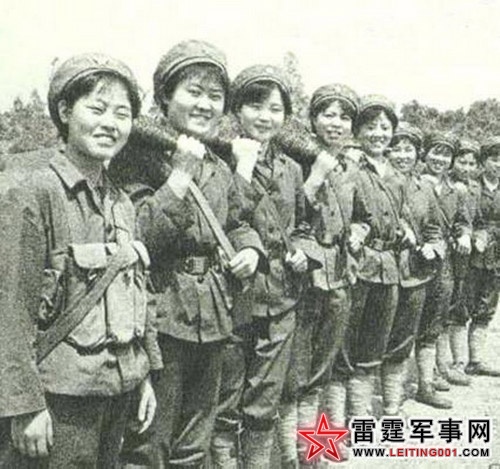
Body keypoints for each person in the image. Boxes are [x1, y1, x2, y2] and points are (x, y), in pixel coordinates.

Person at [0, 53, 157, 468]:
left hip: (116, 394)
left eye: (122, 114)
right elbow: (10, 309)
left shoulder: (121, 202)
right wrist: (24, 406)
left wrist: (143, 377)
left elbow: (138, 298)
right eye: (97, 109)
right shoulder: (35, 193)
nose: (110, 123)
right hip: (57, 402)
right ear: (66, 112)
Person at [120, 40, 266, 469]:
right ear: (166, 97)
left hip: (214, 316)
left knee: (195, 441)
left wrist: (250, 250)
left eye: (214, 96)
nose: (205, 104)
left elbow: (237, 220)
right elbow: (140, 235)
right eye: (193, 92)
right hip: (159, 314)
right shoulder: (135, 156)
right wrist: (179, 177)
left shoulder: (216, 164)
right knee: (148, 441)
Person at [210, 64, 321, 469]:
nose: (265, 116)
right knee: (226, 395)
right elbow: (224, 217)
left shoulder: (292, 168)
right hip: (233, 296)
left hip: (281, 298)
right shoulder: (218, 160)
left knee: (266, 397)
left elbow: (304, 224)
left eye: (275, 109)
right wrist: (241, 167)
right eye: (255, 106)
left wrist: (304, 252)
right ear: (236, 110)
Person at [284, 84, 359, 466]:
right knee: (297, 370)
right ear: (312, 120)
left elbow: (360, 215)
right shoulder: (294, 160)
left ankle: (315, 448)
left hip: (339, 275)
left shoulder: (350, 168)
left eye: (344, 117)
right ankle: (295, 454)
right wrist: (315, 176)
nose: (336, 123)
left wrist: (359, 231)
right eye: (328, 114)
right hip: (303, 274)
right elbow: (286, 216)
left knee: (324, 368)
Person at [339, 95, 416, 419]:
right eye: (370, 127)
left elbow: (400, 214)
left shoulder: (397, 176)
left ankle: (361, 417)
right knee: (346, 344)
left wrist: (405, 229)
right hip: (358, 266)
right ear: (357, 132)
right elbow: (339, 214)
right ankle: (341, 421)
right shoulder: (348, 168)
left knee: (375, 343)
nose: (378, 134)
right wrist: (356, 230)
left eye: (385, 128)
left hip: (389, 268)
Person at [385, 122, 445, 414]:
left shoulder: (424, 187)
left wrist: (433, 245)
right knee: (371, 338)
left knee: (404, 336)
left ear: (417, 153)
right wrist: (399, 230)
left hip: (415, 273)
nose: (403, 155)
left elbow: (434, 226)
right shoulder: (378, 180)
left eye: (408, 149)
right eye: (396, 148)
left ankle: (392, 402)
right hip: (381, 271)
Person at [416, 132, 472, 408]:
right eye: (435, 152)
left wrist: (464, 234)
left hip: (444, 262)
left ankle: (426, 382)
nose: (440, 159)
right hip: (415, 258)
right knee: (406, 320)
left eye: (446, 154)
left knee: (435, 320)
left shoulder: (456, 190)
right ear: (424, 153)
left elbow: (463, 221)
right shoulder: (413, 182)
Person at [444, 139, 482, 386]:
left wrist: (478, 236)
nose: (466, 168)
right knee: (444, 310)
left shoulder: (475, 189)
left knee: (462, 306)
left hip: (470, 257)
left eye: (471, 164)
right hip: (447, 252)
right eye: (462, 162)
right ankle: (441, 366)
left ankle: (460, 362)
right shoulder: (445, 185)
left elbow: (479, 221)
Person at [463, 136, 500, 377]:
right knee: (460, 307)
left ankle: (475, 360)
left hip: (496, 257)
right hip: (470, 255)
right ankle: (453, 363)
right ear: (484, 161)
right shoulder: (471, 186)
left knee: (486, 307)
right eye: (495, 159)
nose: (499, 164)